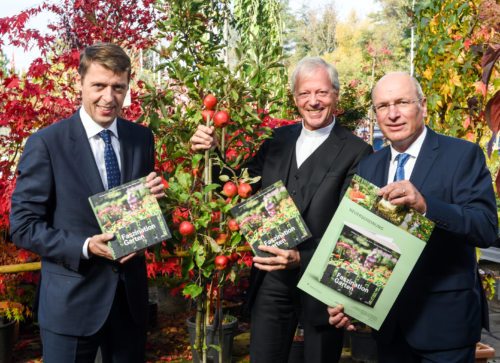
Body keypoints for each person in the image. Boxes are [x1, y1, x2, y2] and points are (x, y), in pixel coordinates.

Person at [190, 57, 372, 363]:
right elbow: (237, 185)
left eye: (322, 93)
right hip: (272, 282)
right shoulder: (277, 140)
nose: (313, 101)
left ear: (336, 95)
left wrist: (302, 258)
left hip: (322, 285)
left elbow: (353, 231)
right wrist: (209, 153)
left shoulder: (357, 152)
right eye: (305, 94)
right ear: (295, 98)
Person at [10, 43, 164, 363]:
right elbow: (23, 226)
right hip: (71, 304)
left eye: (118, 87)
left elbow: (140, 215)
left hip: (129, 304)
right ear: (80, 83)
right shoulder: (47, 143)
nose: (109, 97)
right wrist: (85, 246)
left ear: (127, 87)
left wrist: (155, 202)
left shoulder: (141, 139)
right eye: (99, 86)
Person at [327, 72, 498, 362]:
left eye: (402, 102)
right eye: (383, 106)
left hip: (446, 325)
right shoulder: (369, 166)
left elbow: (485, 228)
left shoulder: (462, 155)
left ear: (423, 106)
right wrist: (347, 300)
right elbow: (360, 242)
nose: (392, 114)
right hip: (389, 327)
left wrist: (426, 206)